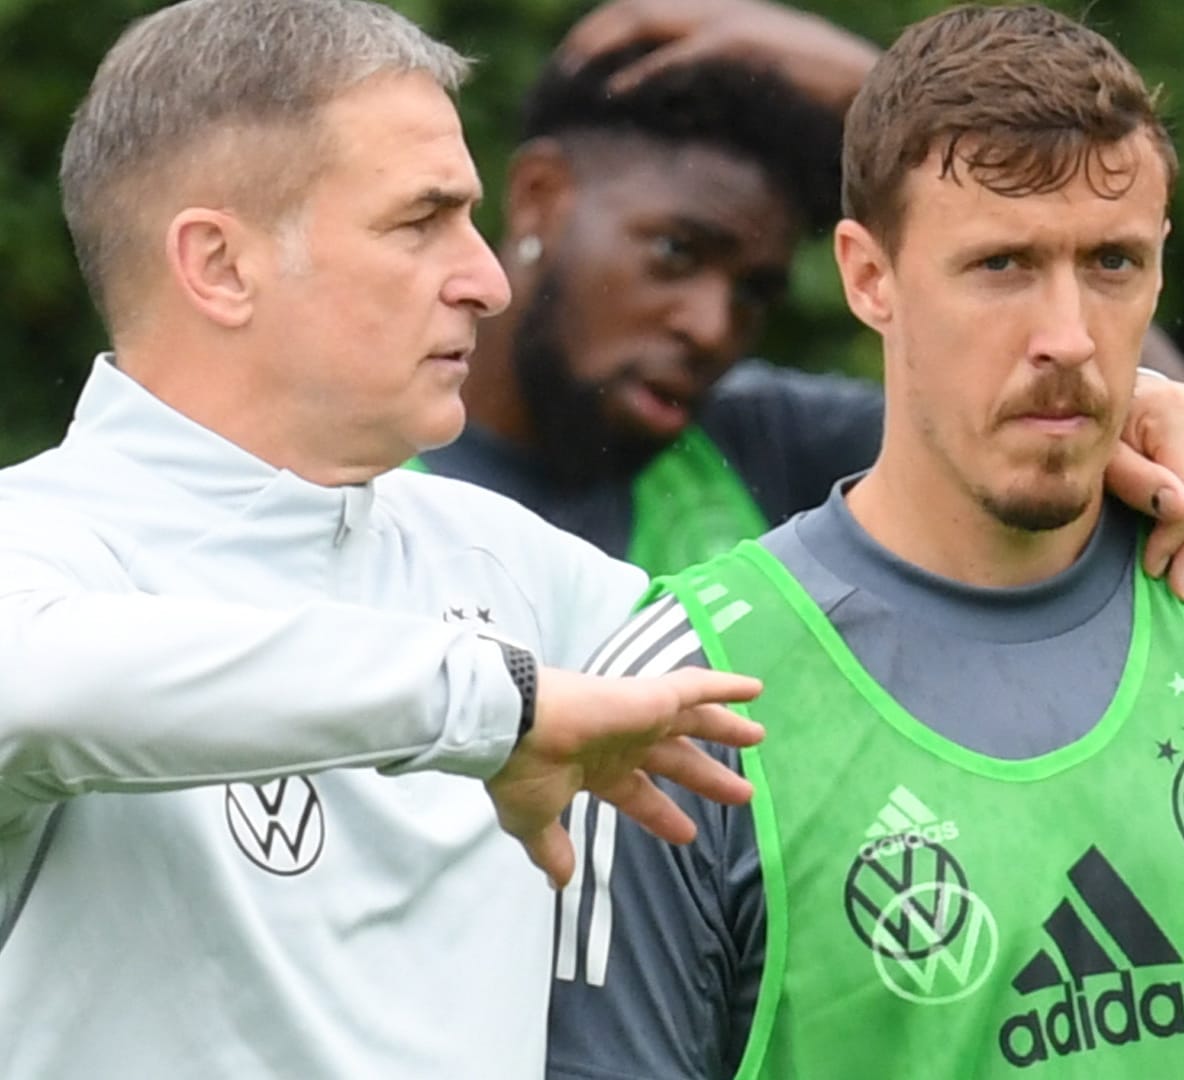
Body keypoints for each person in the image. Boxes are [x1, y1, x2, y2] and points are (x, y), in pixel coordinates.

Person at [544, 6, 1184, 1078]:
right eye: (1002, 264)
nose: (1066, 336)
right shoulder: (686, 693)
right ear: (869, 277)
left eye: (1110, 263)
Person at [0, 0, 769, 1075]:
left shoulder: (504, 557)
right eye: (421, 222)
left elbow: (838, 663)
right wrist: (500, 705)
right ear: (219, 266)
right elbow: (42, 687)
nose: (489, 280)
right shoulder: (36, 547)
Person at [420, 0, 1184, 599]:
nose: (712, 327)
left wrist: (880, 92)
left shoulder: (758, 447)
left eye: (753, 292)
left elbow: (1098, 434)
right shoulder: (356, 459)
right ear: (539, 196)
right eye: (675, 253)